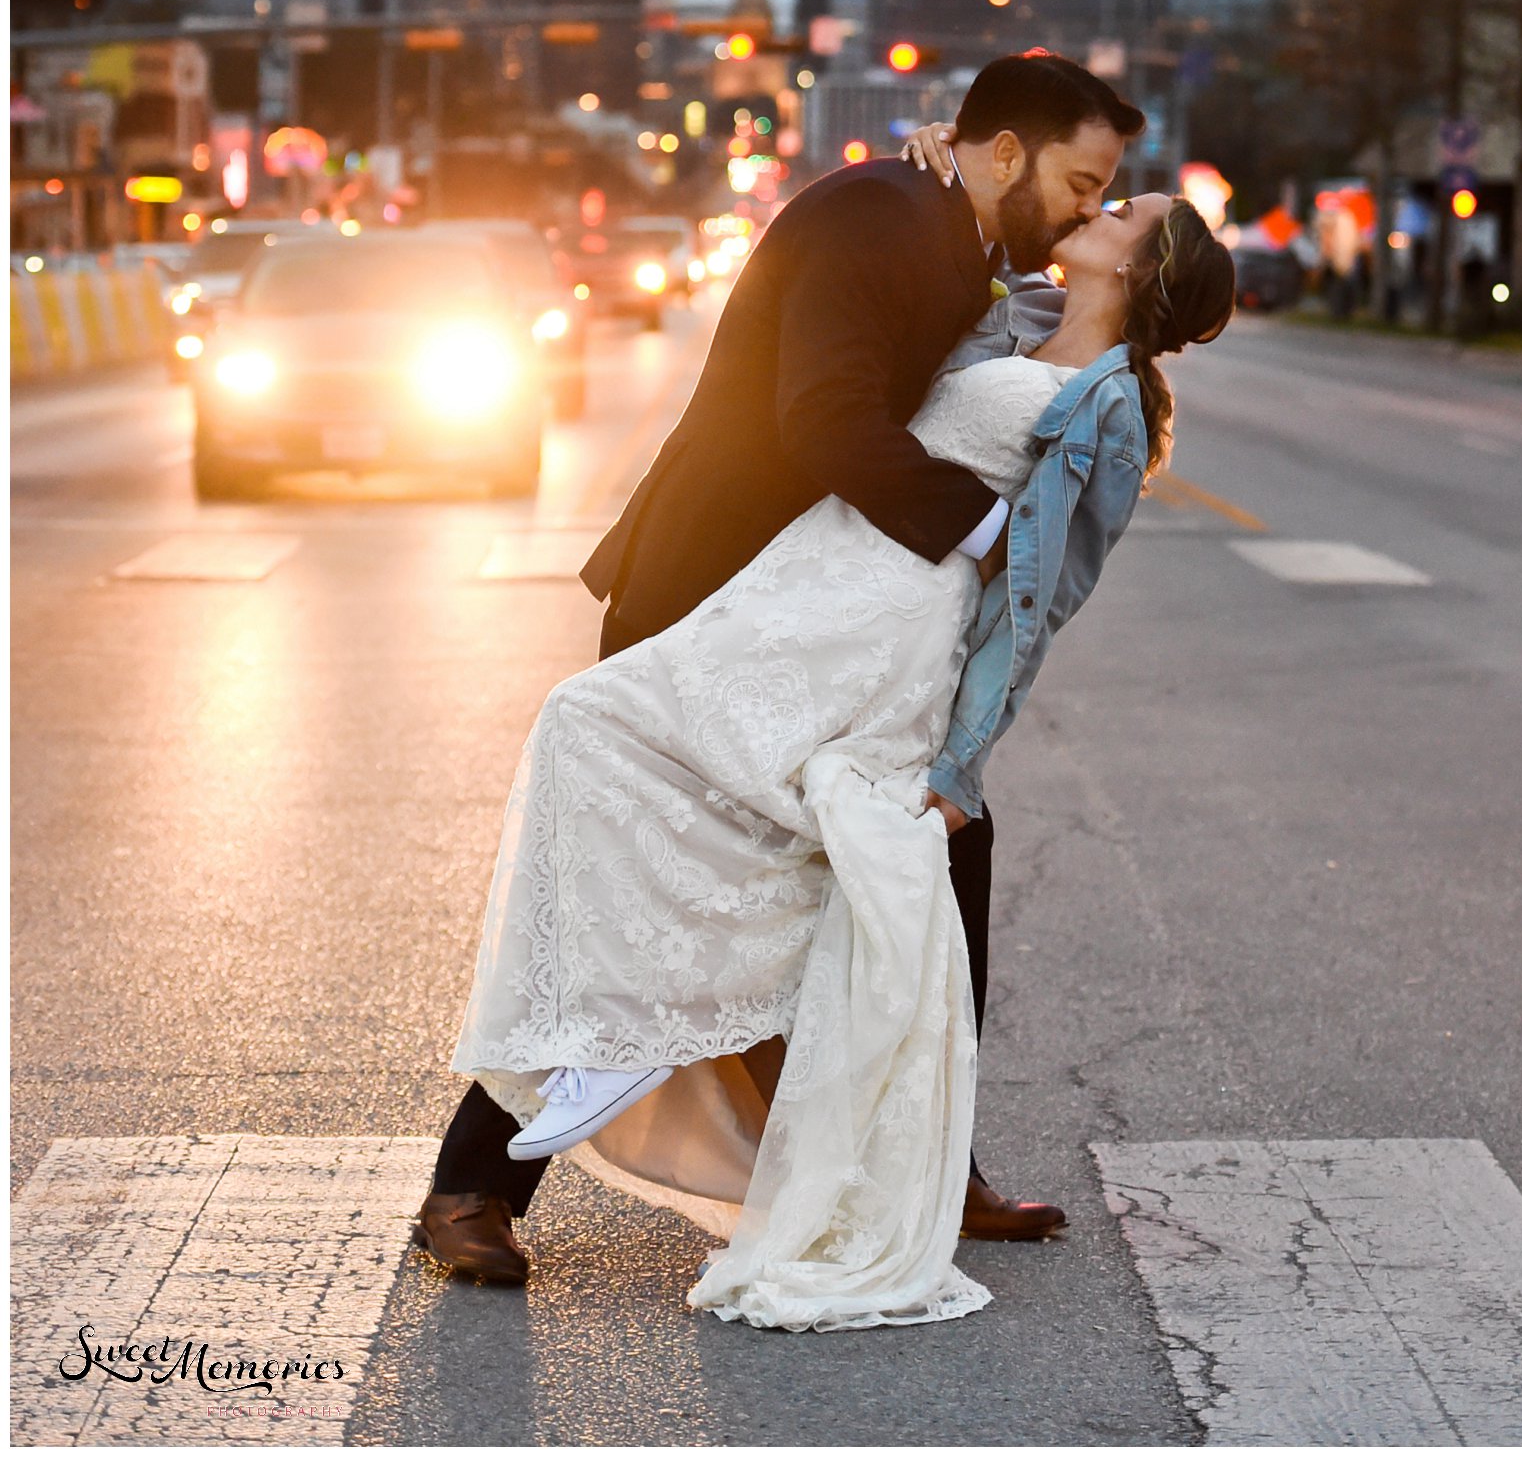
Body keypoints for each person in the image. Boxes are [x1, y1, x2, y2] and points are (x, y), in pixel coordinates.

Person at [442, 183, 1234, 1330]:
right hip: (802, 581)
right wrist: (935, 178)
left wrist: (961, 764)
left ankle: (594, 1104)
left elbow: (1037, 599)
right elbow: (914, 350)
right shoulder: (1007, 315)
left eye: (1121, 211)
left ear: (1144, 267)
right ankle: (592, 1068)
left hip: (882, 625)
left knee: (855, 850)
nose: (1096, 205)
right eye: (1099, 186)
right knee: (599, 732)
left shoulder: (1105, 403)